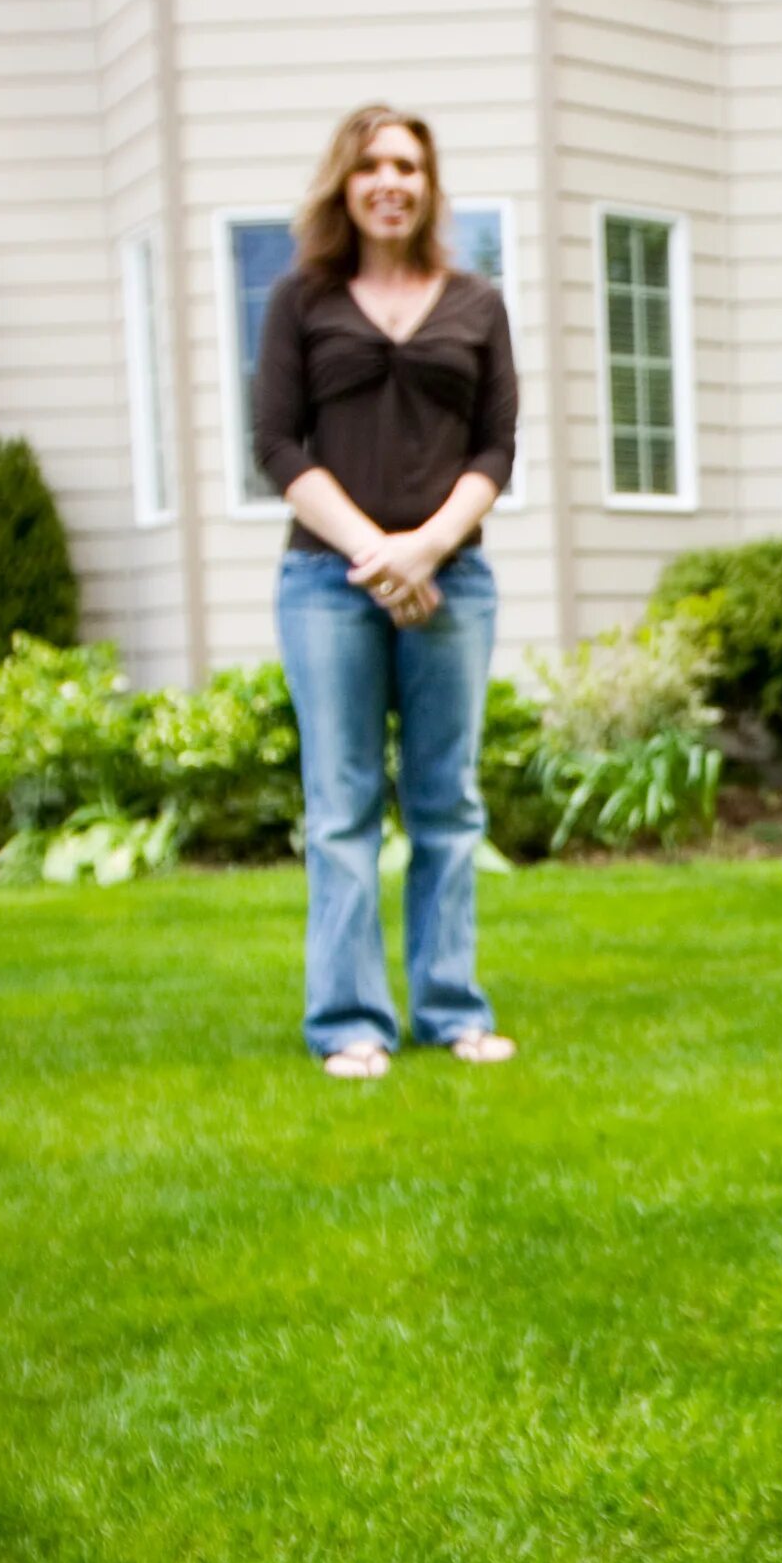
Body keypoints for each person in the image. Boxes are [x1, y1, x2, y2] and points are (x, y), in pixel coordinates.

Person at [255, 105, 520, 1079]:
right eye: (371, 166)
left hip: (455, 585)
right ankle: (350, 1021)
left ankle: (451, 1009)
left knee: (447, 803)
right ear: (346, 184)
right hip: (327, 581)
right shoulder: (301, 301)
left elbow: (497, 446)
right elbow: (278, 445)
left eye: (407, 165)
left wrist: (431, 548)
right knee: (342, 808)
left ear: (429, 183)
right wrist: (380, 553)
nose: (390, 182)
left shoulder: (475, 303)